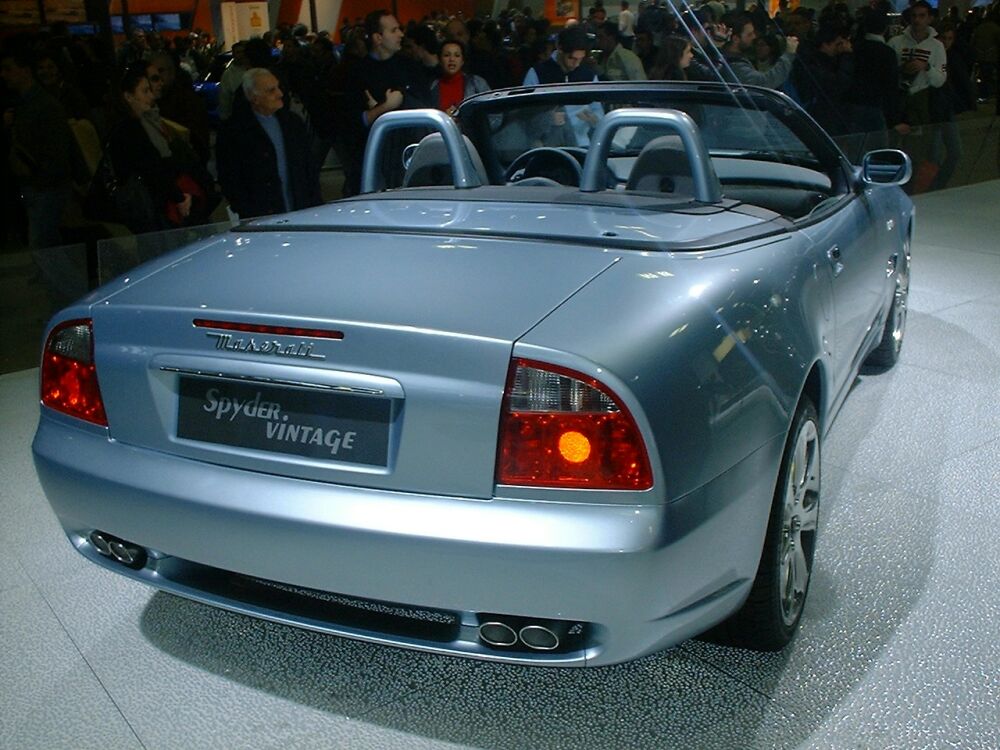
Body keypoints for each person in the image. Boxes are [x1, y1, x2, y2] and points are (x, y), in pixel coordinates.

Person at [106, 64, 216, 233]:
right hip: (155, 204)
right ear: (128, 96)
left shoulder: (149, 121)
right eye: (145, 91)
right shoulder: (131, 129)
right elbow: (152, 167)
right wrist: (178, 197)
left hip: (163, 200)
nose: (151, 96)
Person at [343, 9, 432, 195]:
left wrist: (392, 104)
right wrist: (385, 107)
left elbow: (425, 108)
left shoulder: (411, 67)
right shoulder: (356, 73)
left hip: (409, 155)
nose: (401, 34)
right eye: (394, 30)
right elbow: (353, 123)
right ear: (378, 38)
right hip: (373, 160)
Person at [216, 68, 322, 219]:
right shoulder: (234, 132)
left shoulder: (292, 123)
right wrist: (246, 210)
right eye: (271, 91)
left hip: (301, 210)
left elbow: (308, 167)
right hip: (261, 215)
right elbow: (230, 178)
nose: (280, 94)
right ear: (254, 98)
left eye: (278, 87)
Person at [1, 46, 78, 249]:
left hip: (45, 187)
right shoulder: (28, 103)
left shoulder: (41, 105)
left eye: (9, 69)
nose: (4, 75)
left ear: (25, 70)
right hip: (40, 185)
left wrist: (41, 182)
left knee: (43, 243)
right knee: (46, 242)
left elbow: (56, 151)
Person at [721, 12, 799, 89]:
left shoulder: (730, 58)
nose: (754, 37)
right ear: (735, 39)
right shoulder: (735, 66)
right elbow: (764, 82)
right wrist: (789, 54)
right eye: (749, 34)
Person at [430, 40, 489, 117]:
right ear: (440, 60)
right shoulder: (432, 87)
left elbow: (493, 114)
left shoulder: (477, 83)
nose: (452, 59)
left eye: (457, 55)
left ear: (462, 61)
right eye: (446, 55)